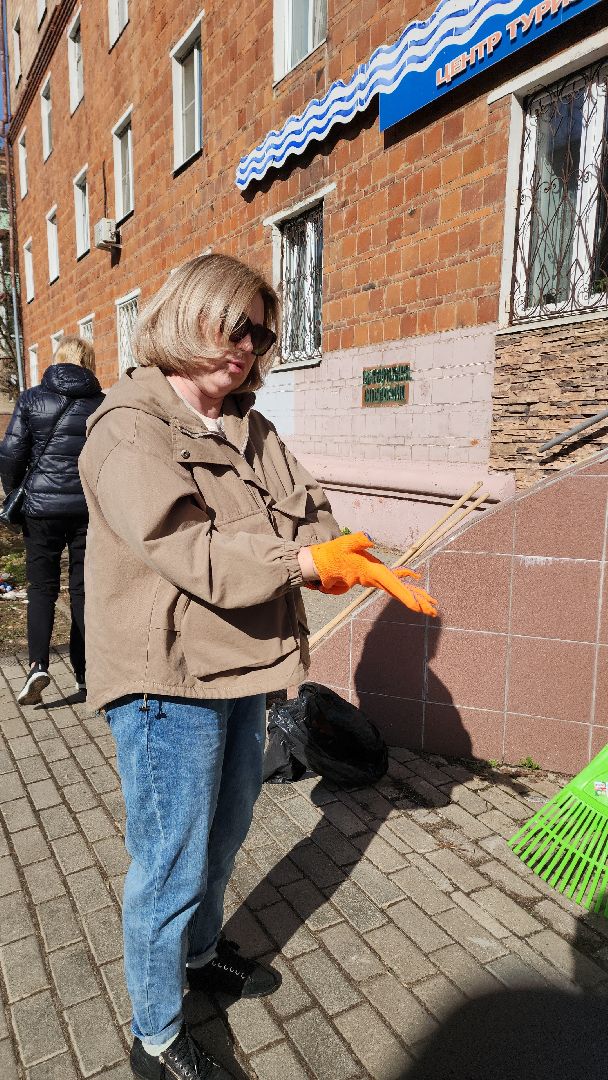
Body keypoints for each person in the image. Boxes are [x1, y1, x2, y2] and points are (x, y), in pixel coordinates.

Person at [78, 253, 437, 1080]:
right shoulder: (130, 426)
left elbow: (309, 508)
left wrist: (342, 547)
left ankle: (200, 955)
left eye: (263, 334)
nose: (248, 346)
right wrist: (305, 567)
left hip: (242, 668)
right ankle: (157, 1033)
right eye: (234, 325)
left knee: (227, 829)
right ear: (186, 315)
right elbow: (187, 549)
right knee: (169, 858)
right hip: (167, 679)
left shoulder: (250, 426)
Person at [0, 335, 104, 705]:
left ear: (58, 361)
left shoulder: (31, 398)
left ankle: (37, 666)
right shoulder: (102, 402)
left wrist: (15, 489)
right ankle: (85, 672)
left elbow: (11, 451)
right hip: (86, 510)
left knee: (42, 588)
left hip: (40, 509)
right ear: (88, 362)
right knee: (82, 589)